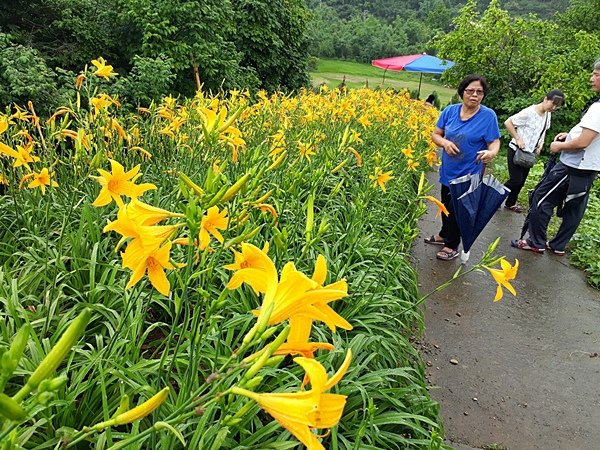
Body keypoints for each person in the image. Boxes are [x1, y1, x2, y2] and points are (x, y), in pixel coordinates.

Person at [511, 57, 600, 255]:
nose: (591, 78)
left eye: (595, 74)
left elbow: (583, 142)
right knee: (575, 206)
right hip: (590, 167)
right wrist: (570, 135)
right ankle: (558, 245)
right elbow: (592, 137)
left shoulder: (598, 108)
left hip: (573, 165)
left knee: (541, 198)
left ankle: (536, 242)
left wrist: (559, 146)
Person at [425, 74, 501, 260]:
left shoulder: (488, 116)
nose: (474, 95)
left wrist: (491, 153)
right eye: (470, 91)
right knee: (445, 206)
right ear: (462, 92)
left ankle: (452, 245)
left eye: (479, 92)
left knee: (458, 211)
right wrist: (444, 143)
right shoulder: (450, 111)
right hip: (448, 170)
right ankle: (444, 234)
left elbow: (494, 142)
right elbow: (436, 134)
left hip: (469, 172)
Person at [503, 89, 565, 212]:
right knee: (515, 180)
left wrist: (541, 143)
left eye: (556, 106)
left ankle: (510, 203)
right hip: (516, 150)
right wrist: (518, 138)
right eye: (553, 104)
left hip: (529, 153)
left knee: (521, 182)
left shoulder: (548, 114)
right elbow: (508, 122)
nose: (553, 107)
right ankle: (492, 195)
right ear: (545, 99)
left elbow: (544, 130)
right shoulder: (529, 112)